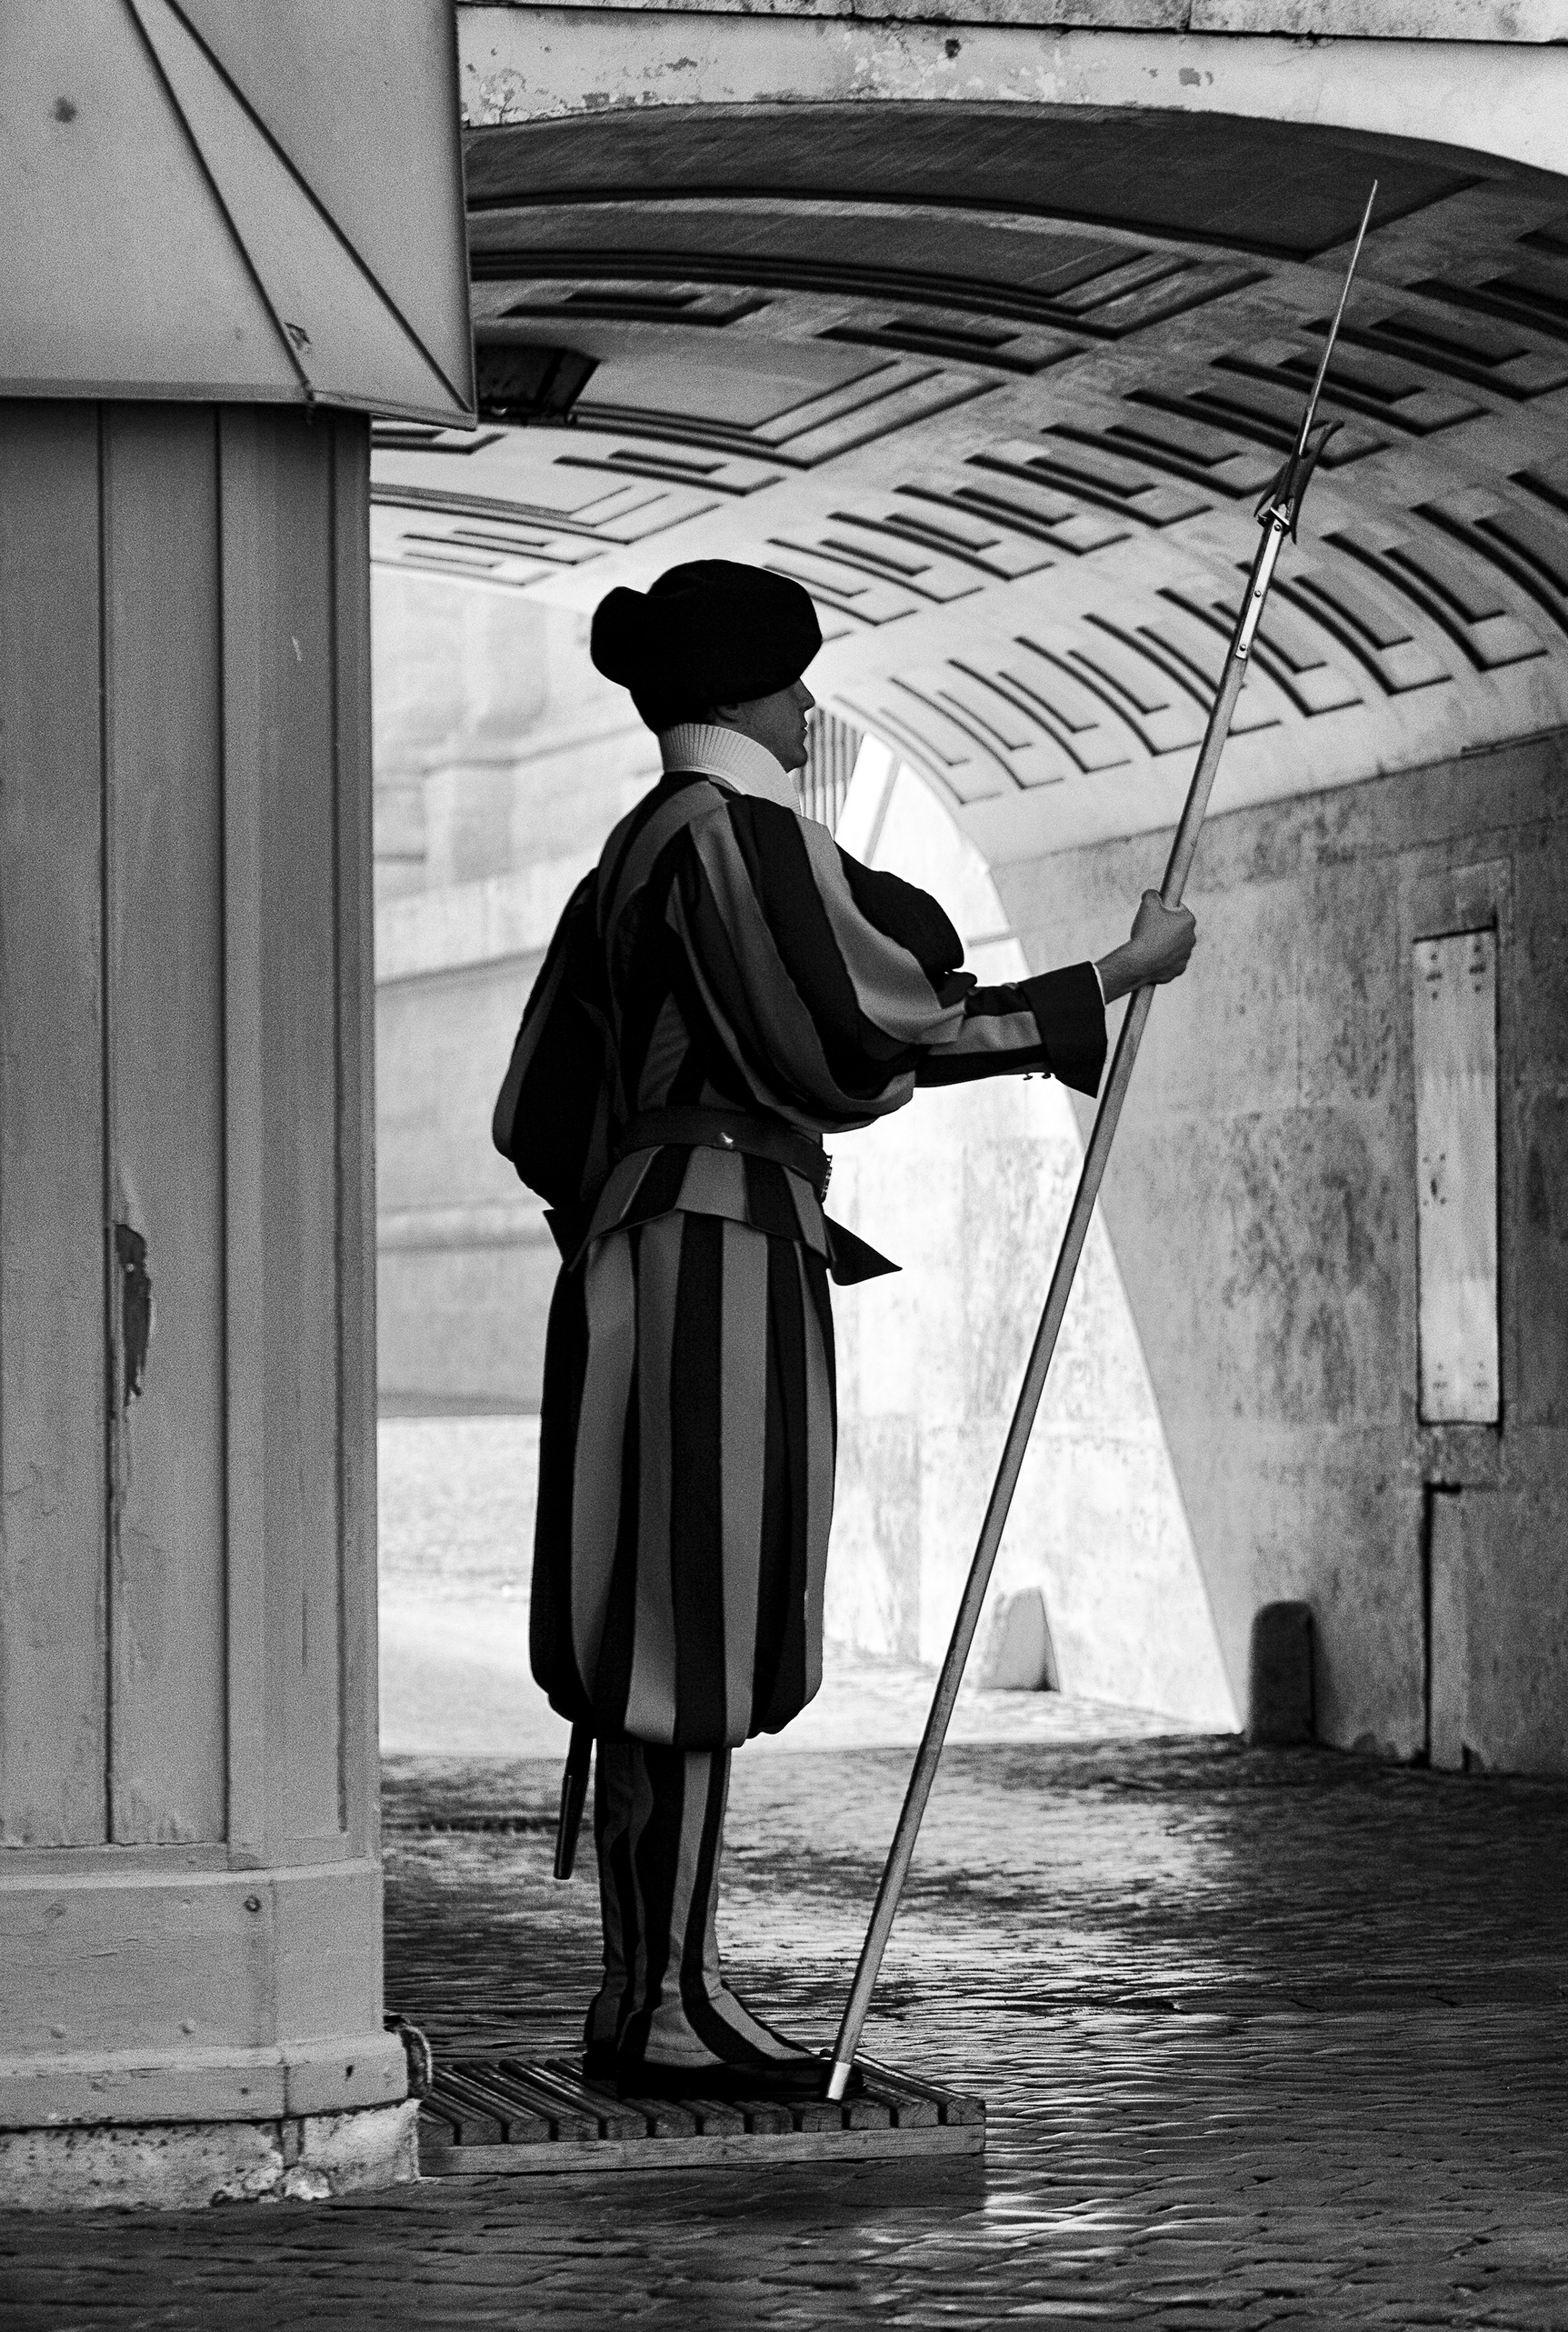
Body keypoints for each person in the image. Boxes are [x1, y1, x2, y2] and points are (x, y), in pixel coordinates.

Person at [493, 560, 1196, 2095]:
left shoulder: (622, 855)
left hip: (630, 1250)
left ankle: (640, 1991)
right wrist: (1105, 980)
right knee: (694, 1630)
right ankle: (671, 2004)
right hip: (717, 1250)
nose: (808, 708)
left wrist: (622, 1210)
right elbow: (874, 1028)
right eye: (790, 682)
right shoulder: (732, 836)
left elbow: (536, 1109)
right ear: (740, 695)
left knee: (650, 1636)